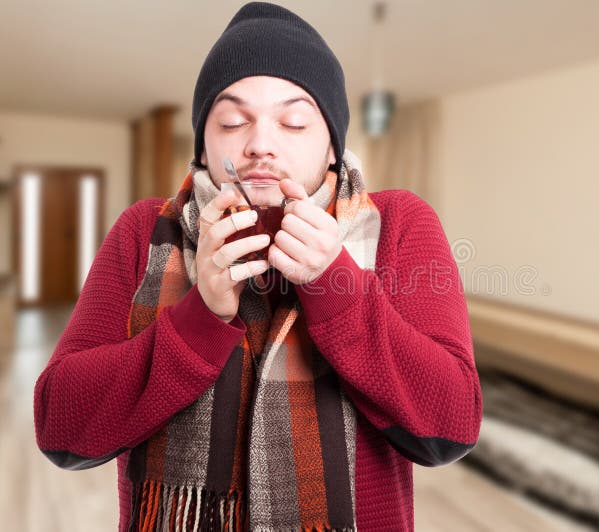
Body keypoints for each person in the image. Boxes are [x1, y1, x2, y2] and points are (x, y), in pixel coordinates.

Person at [33, 3, 482, 531]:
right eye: (231, 121)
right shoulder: (144, 233)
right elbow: (62, 430)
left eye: (293, 122)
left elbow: (450, 426)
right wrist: (200, 315)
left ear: (333, 148)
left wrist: (335, 288)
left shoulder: (400, 224)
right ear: (204, 143)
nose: (260, 146)